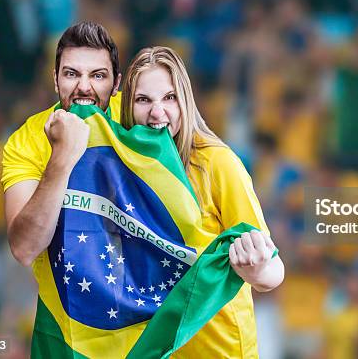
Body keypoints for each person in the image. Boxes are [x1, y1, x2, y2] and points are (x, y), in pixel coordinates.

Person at [120, 46, 285, 357]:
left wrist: (256, 268)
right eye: (144, 100)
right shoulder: (119, 169)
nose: (158, 112)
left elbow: (274, 271)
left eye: (169, 98)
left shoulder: (216, 162)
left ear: (185, 102)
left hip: (219, 351)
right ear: (128, 107)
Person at [2, 21, 122, 266]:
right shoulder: (25, 142)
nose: (84, 87)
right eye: (71, 74)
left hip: (141, 299)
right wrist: (62, 157)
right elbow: (24, 249)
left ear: (116, 85)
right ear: (56, 80)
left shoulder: (138, 114)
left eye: (98, 75)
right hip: (64, 303)